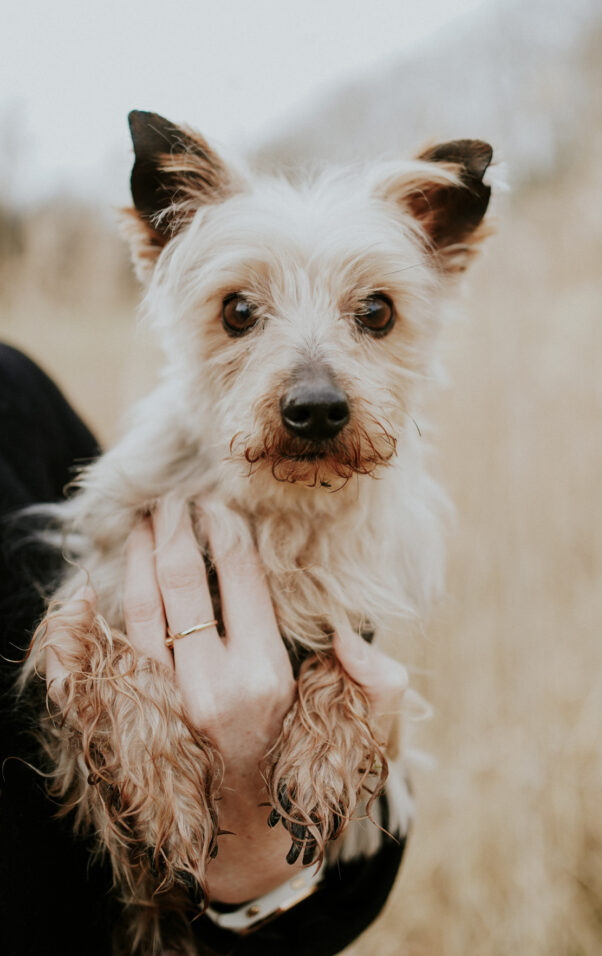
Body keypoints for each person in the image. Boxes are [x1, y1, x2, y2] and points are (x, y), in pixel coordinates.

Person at [0, 343, 408, 955]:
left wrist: (263, 876)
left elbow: (366, 854)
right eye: (241, 314)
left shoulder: (13, 398)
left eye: (371, 316)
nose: (317, 393)